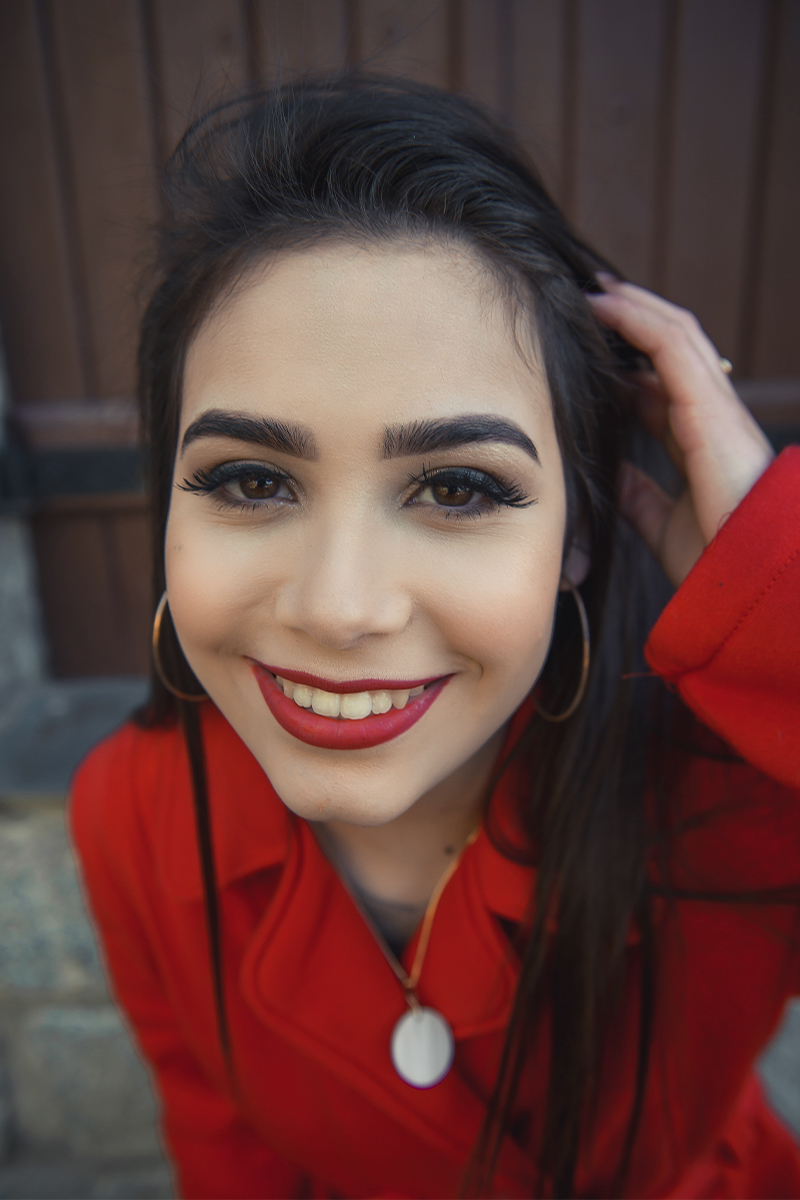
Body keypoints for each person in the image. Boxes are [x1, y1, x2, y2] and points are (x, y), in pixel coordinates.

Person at [70, 75, 800, 1199]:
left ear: (576, 538)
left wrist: (777, 594)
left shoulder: (742, 796)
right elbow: (226, 1150)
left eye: (456, 489)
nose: (340, 606)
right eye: (252, 479)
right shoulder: (130, 813)